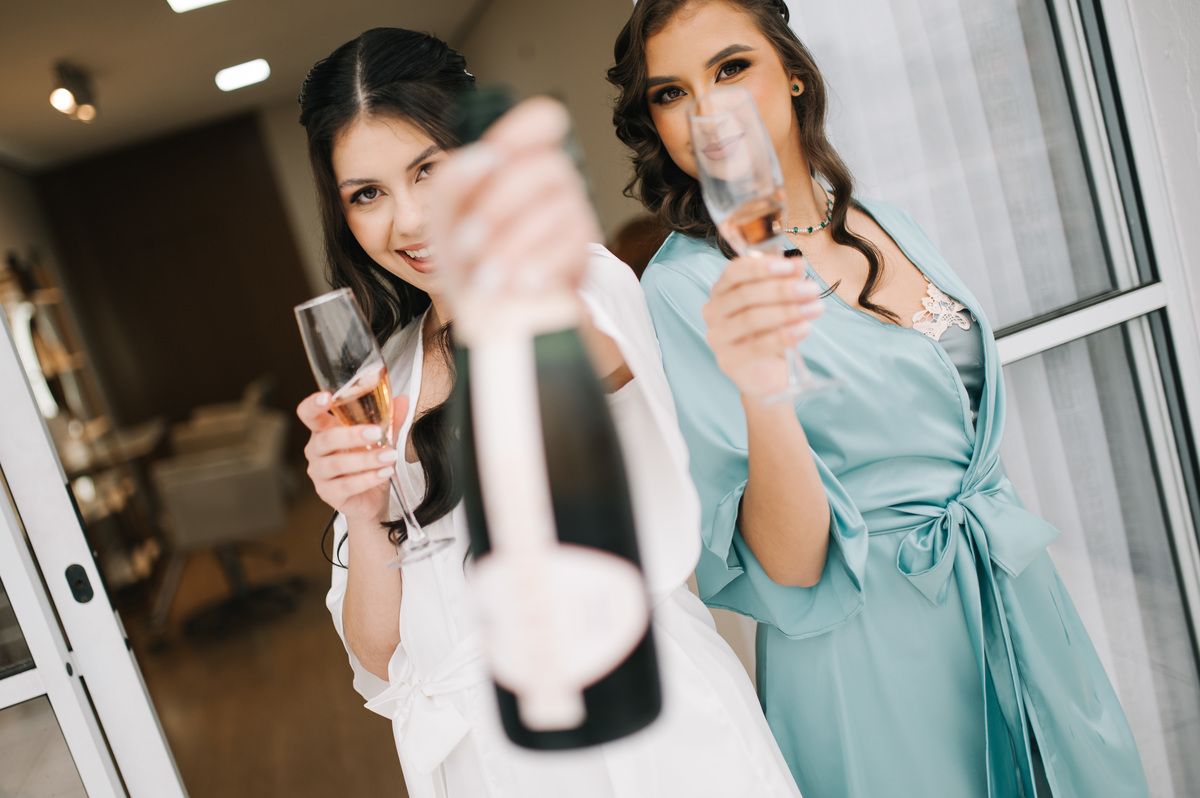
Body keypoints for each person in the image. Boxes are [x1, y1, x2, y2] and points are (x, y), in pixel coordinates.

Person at [608, 1, 1152, 797]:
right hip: (869, 653)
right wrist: (764, 385)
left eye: (732, 68)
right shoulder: (687, 287)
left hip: (1010, 599)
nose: (707, 113)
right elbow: (790, 564)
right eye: (671, 92)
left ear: (793, 71)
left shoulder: (885, 221)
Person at [294, 27, 801, 798]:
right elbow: (377, 658)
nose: (410, 220)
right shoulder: (383, 373)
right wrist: (363, 516)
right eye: (368, 194)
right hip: (476, 762)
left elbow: (584, 351)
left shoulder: (581, 284)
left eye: (429, 170)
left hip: (642, 743)